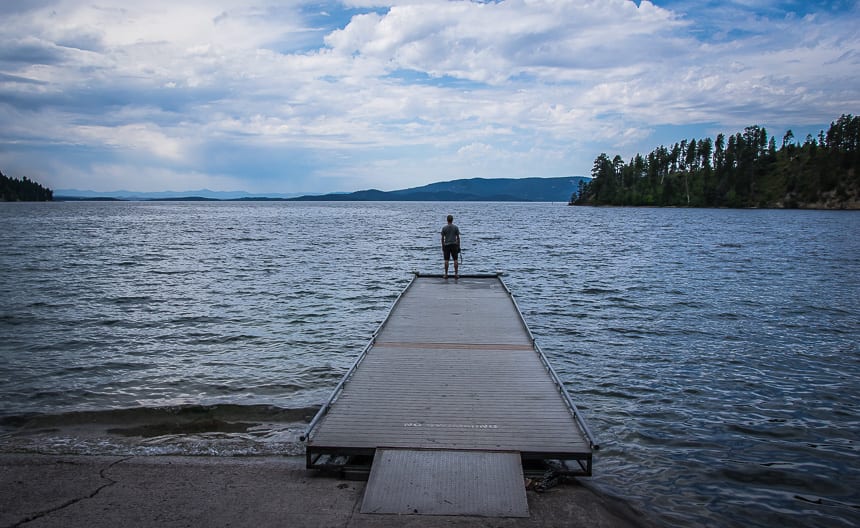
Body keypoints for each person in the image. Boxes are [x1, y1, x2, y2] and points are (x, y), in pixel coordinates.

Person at [441, 214, 460, 279]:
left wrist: (442, 246)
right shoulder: (456, 227)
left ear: (447, 220)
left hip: (446, 245)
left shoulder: (444, 228)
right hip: (454, 245)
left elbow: (442, 238)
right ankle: (456, 274)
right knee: (455, 260)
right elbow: (458, 238)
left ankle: (446, 274)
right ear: (452, 220)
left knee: (446, 260)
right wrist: (458, 246)